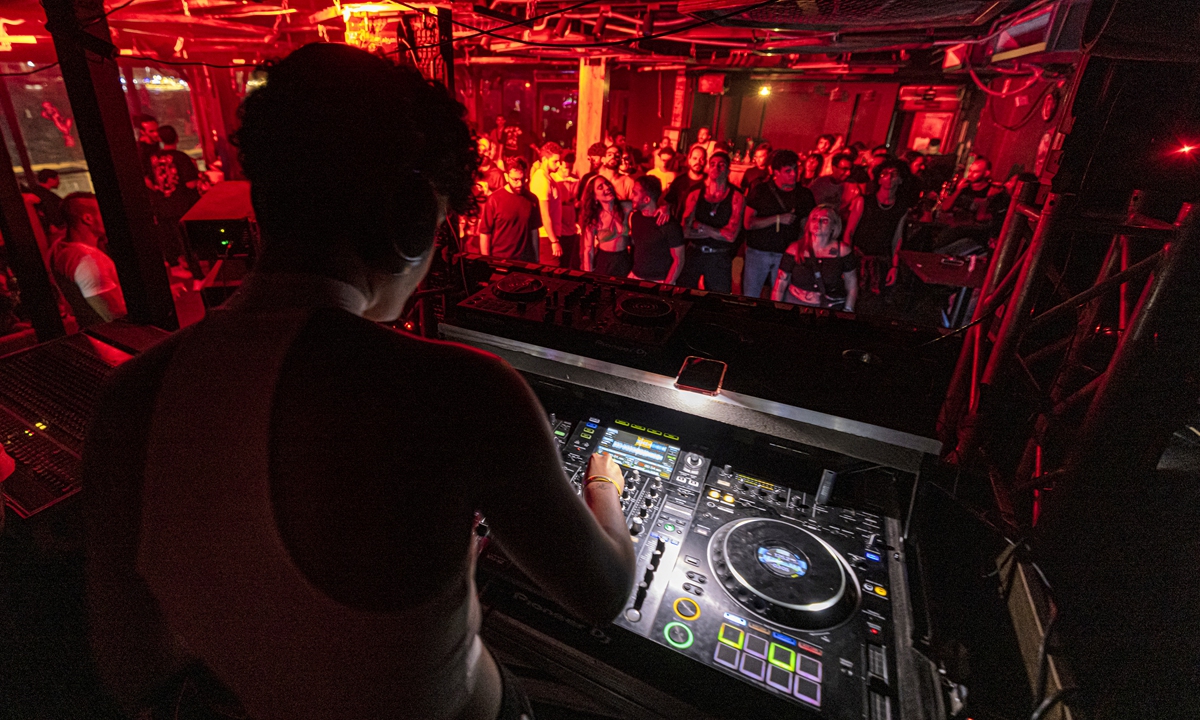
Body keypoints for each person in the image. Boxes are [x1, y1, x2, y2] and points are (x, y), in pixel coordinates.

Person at [82, 44, 635, 720]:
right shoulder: (463, 391)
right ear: (408, 220)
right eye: (439, 227)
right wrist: (605, 484)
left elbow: (132, 665)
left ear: (263, 196)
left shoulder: (128, 398)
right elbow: (603, 591)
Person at [741, 149, 816, 299]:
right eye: (788, 171)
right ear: (776, 172)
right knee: (750, 295)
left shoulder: (804, 194)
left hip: (786, 255)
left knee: (781, 298)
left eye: (795, 169)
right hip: (758, 252)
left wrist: (801, 248)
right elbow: (748, 223)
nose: (793, 174)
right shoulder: (761, 190)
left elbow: (807, 227)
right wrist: (777, 219)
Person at [48, 192, 126, 327]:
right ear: (88, 219)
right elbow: (116, 315)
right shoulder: (87, 260)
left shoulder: (57, 248)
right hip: (109, 333)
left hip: (90, 331)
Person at [678, 151, 744, 294]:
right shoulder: (695, 194)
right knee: (683, 294)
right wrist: (717, 232)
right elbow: (685, 231)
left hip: (719, 257)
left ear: (728, 170)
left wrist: (700, 226)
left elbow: (731, 236)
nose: (716, 168)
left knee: (717, 301)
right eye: (712, 164)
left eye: (721, 165)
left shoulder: (736, 196)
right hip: (694, 254)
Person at [772, 205, 858, 312]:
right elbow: (780, 285)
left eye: (825, 220)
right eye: (814, 219)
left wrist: (848, 310)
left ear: (834, 226)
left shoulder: (843, 251)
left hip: (830, 308)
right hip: (796, 305)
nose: (818, 223)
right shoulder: (794, 249)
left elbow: (852, 286)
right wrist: (776, 309)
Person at [852, 158, 909, 295]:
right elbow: (849, 232)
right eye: (884, 173)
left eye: (894, 174)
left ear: (900, 180)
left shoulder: (901, 208)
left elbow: (897, 239)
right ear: (878, 179)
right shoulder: (863, 202)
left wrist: (894, 266)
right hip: (858, 258)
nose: (889, 177)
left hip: (881, 261)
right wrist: (845, 262)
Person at [148, 124, 202, 265]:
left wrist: (157, 188)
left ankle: (176, 268)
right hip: (181, 205)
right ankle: (196, 273)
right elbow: (191, 183)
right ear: (177, 138)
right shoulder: (181, 157)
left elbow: (147, 179)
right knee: (187, 241)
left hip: (162, 205)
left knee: (171, 240)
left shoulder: (153, 158)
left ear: (160, 139)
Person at [935, 156, 1010, 255]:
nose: (970, 174)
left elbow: (983, 218)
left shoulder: (991, 191)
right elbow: (945, 207)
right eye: (970, 171)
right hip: (952, 227)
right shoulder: (964, 187)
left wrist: (986, 200)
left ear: (986, 173)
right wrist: (958, 190)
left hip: (971, 233)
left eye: (976, 172)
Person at [479, 158, 541, 262]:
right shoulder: (494, 200)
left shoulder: (532, 199)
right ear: (506, 176)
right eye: (515, 180)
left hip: (525, 261)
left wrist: (536, 259)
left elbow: (534, 231)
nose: (520, 184)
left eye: (523, 179)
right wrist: (487, 261)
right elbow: (485, 233)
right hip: (500, 260)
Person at [628, 175, 685, 285]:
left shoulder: (669, 224)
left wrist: (666, 285)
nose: (631, 196)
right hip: (635, 276)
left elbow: (679, 259)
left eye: (635, 193)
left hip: (658, 281)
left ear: (646, 199)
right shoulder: (635, 217)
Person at [579, 175, 630, 277]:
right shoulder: (594, 218)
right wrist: (588, 276)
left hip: (625, 260)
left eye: (607, 184)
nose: (607, 187)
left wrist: (666, 208)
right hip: (605, 262)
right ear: (594, 196)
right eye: (600, 187)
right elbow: (588, 250)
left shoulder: (627, 207)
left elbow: (650, 205)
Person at [808, 152, 862, 245]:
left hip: (837, 231)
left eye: (850, 169)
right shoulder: (819, 183)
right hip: (815, 229)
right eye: (844, 169)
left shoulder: (853, 188)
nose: (848, 173)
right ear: (834, 167)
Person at [529, 141, 570, 266]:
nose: (558, 164)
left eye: (559, 161)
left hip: (550, 235)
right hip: (545, 237)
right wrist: (554, 241)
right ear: (544, 160)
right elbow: (544, 215)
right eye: (555, 161)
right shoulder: (542, 180)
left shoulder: (549, 178)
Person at [662, 145, 706, 223]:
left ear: (705, 161)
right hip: (679, 226)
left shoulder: (710, 182)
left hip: (700, 229)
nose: (698, 162)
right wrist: (666, 208)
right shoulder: (679, 181)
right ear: (689, 160)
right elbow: (669, 201)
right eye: (695, 158)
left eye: (701, 159)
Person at [26, 168, 64, 234]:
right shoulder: (46, 195)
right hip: (54, 230)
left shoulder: (36, 192)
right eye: (57, 179)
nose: (59, 182)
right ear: (50, 180)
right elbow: (51, 211)